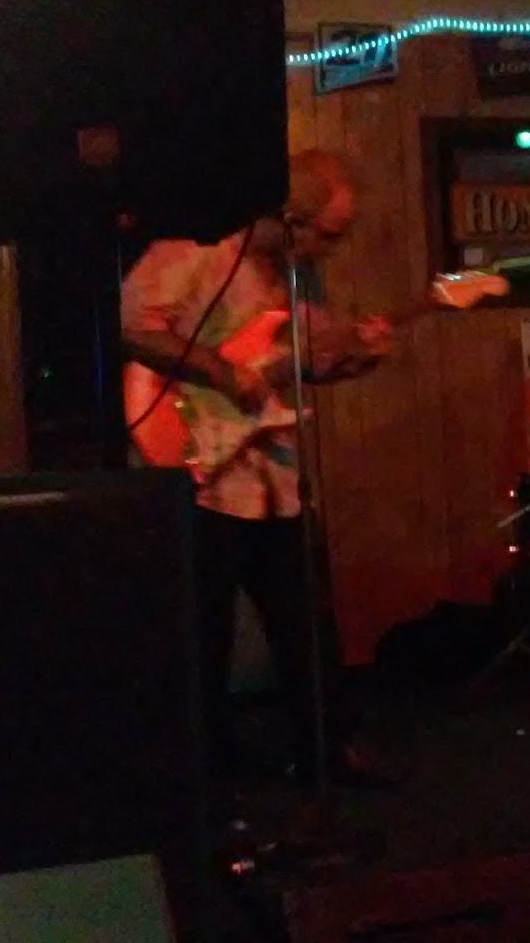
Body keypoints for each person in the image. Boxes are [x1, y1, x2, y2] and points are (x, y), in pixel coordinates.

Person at [121, 147, 396, 787]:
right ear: (289, 218)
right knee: (203, 630)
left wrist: (361, 355)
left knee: (306, 620)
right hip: (197, 470)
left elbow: (304, 365)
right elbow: (131, 326)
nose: (332, 250)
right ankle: (206, 768)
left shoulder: (293, 279)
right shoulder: (196, 249)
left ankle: (326, 750)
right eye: (329, 234)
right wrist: (220, 372)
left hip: (274, 475)